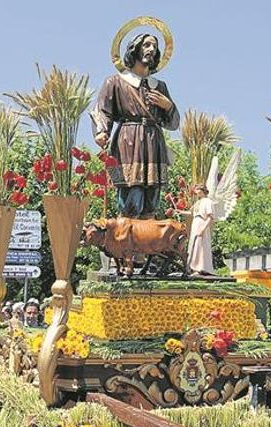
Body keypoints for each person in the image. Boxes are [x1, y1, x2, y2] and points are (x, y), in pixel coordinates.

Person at [91, 32, 180, 218]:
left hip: (153, 142)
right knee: (132, 191)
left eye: (154, 47)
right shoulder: (115, 82)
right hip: (128, 141)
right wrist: (101, 131)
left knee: (152, 196)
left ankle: (148, 239)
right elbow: (102, 110)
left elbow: (173, 123)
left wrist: (168, 106)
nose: (151, 50)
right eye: (146, 45)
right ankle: (127, 239)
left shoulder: (160, 86)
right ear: (135, 48)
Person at [185, 185, 215, 275]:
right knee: (194, 245)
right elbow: (191, 213)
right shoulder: (198, 202)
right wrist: (178, 211)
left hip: (202, 222)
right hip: (195, 222)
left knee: (200, 245)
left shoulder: (208, 201)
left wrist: (203, 228)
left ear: (202, 190)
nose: (195, 191)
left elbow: (210, 217)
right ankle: (193, 268)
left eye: (197, 189)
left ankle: (200, 268)